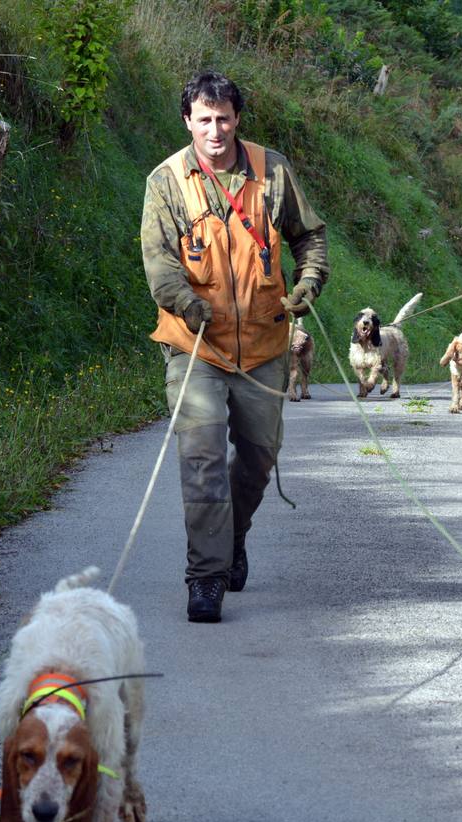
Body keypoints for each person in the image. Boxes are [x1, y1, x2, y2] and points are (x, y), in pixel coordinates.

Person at [140, 71, 329, 623]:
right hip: (195, 344)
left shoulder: (272, 171)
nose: (215, 130)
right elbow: (160, 264)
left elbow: (309, 237)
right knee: (201, 459)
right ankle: (205, 578)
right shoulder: (166, 181)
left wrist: (307, 283)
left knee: (258, 458)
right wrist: (187, 304)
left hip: (267, 344)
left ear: (237, 119)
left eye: (224, 118)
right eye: (204, 119)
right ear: (188, 122)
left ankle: (232, 535)